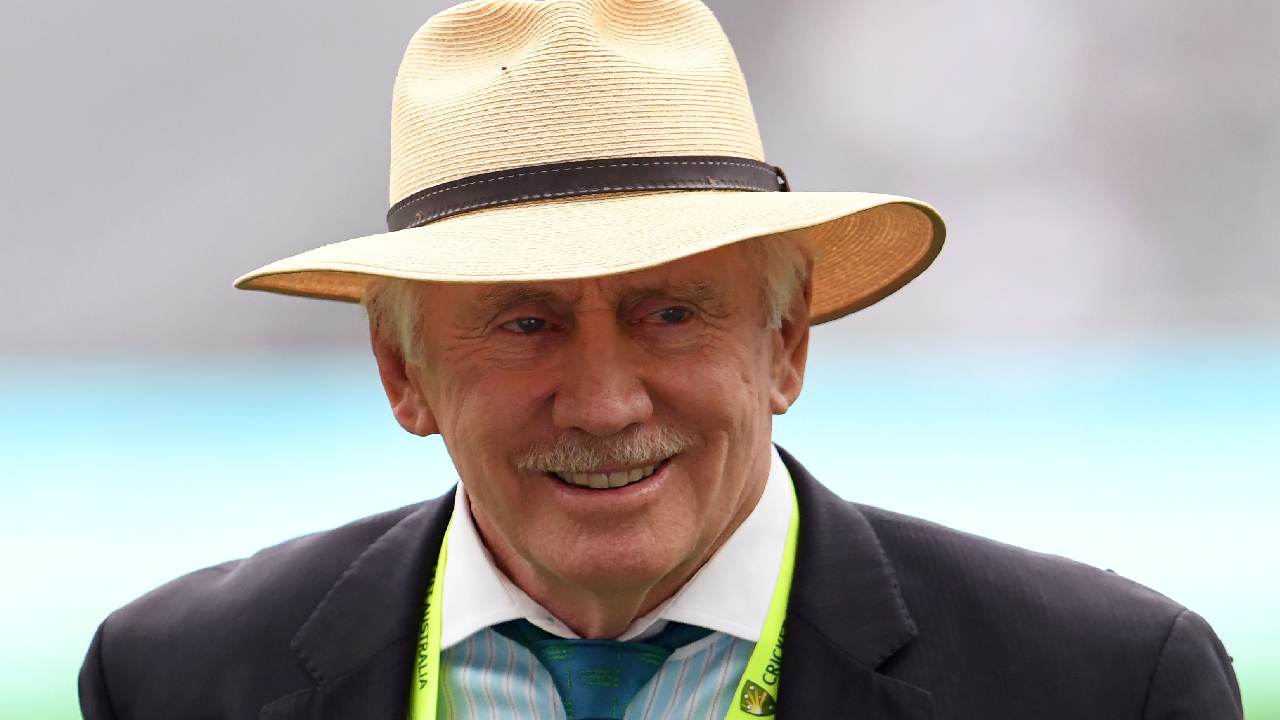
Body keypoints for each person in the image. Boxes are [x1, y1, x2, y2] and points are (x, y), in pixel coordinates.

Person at [78, 0, 1242, 718]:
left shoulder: (1102, 686)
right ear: (401, 371)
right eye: (525, 323)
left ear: (784, 343)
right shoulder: (173, 683)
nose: (602, 403)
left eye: (669, 314)